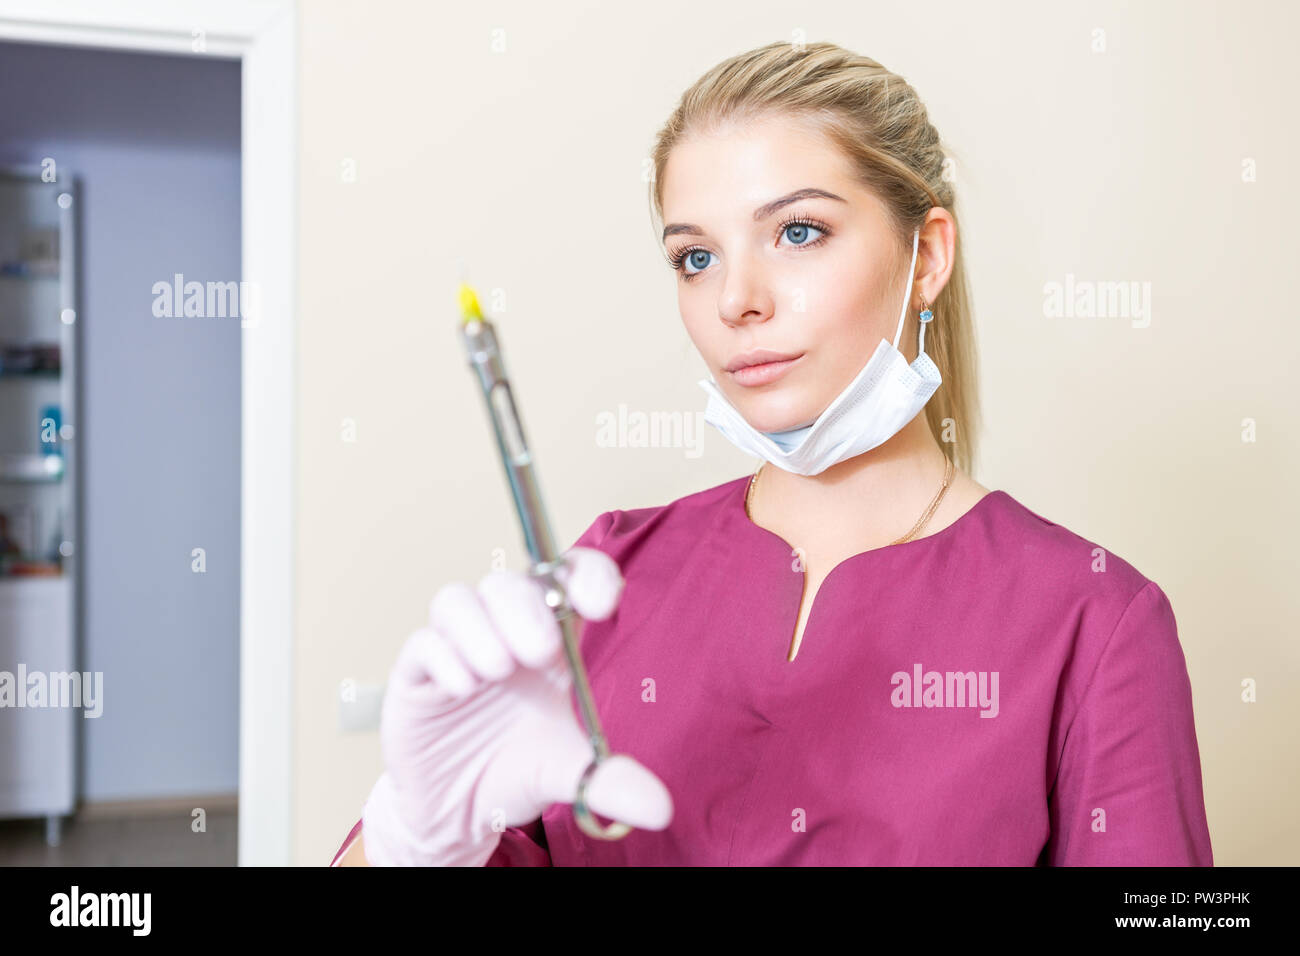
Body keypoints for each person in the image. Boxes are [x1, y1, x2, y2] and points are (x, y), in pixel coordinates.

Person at [331, 40, 1213, 866]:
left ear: (928, 255)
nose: (736, 300)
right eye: (695, 257)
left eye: (797, 232)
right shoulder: (607, 575)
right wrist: (418, 830)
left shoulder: (1095, 623)